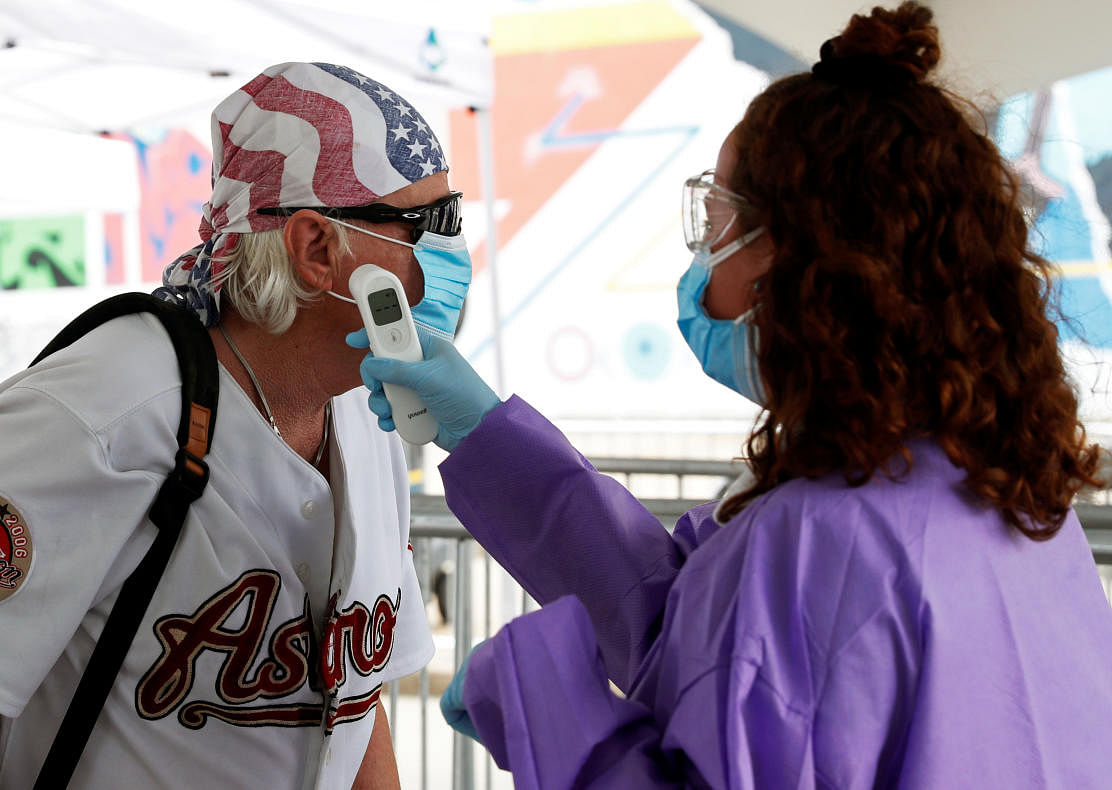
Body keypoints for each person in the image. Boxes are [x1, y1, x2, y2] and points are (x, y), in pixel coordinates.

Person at [349, 4, 1112, 787]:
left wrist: (543, 697)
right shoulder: (1014, 502)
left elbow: (735, 662)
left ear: (803, 256)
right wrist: (487, 436)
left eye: (715, 218)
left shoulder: (820, 539)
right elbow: (697, 629)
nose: (702, 261)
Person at [0, 61, 474, 789]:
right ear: (316, 248)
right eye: (432, 222)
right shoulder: (100, 412)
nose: (457, 248)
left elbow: (357, 704)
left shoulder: (366, 410)